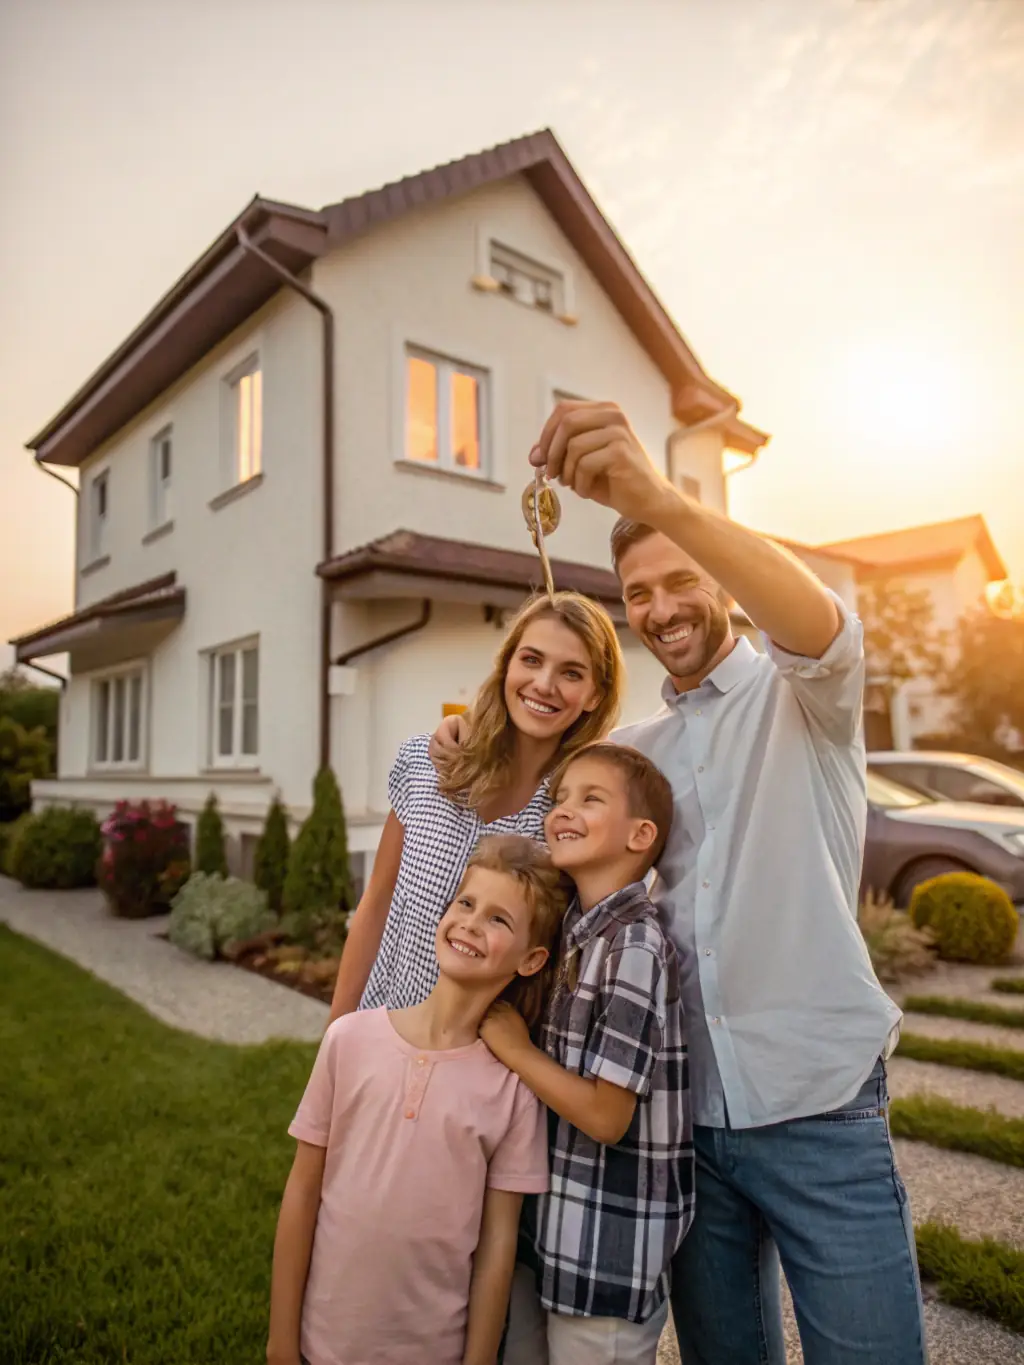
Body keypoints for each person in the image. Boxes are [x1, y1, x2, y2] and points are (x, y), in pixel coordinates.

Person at [432, 401, 925, 1365]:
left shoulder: (806, 699)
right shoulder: (630, 752)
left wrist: (657, 496)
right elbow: (542, 779)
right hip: (686, 1126)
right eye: (639, 593)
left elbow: (820, 620)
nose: (659, 609)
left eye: (680, 578)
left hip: (820, 1103)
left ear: (724, 578)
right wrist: (461, 741)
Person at [268, 834, 568, 1365]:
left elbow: (498, 1248)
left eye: (500, 920)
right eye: (467, 903)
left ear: (532, 958)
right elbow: (302, 1192)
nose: (472, 924)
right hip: (323, 1345)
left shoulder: (512, 1088)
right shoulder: (349, 1040)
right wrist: (281, 1342)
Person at [482, 742, 691, 1365]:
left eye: (589, 799)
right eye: (559, 798)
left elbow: (606, 1116)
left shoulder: (634, 945)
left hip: (603, 1251)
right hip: (542, 1237)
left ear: (640, 834)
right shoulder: (572, 930)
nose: (562, 810)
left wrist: (517, 1051)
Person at [328, 591, 624, 1023]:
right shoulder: (424, 765)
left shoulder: (570, 823)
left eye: (572, 673)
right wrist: (337, 1028)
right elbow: (377, 902)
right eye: (531, 659)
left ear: (596, 695)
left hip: (483, 1071)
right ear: (506, 665)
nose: (544, 684)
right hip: (381, 1034)